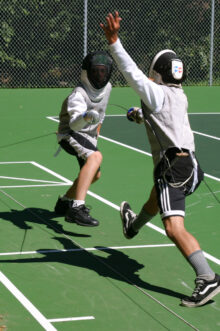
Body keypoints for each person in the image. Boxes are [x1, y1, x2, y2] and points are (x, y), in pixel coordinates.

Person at [100, 11, 220, 307]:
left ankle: (208, 278)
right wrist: (138, 115)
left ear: (158, 71)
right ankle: (133, 224)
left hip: (174, 168)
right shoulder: (178, 95)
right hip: (191, 167)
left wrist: (114, 42)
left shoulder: (155, 92)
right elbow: (164, 117)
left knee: (172, 227)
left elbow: (133, 75)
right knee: (155, 199)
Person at [54, 51, 113, 227]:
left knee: (95, 175)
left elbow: (101, 115)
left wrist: (95, 138)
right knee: (96, 157)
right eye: (96, 71)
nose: (100, 75)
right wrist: (86, 116)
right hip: (69, 134)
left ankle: (65, 202)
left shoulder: (108, 88)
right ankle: (76, 209)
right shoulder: (78, 94)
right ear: (87, 73)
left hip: (88, 136)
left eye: (103, 71)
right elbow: (74, 125)